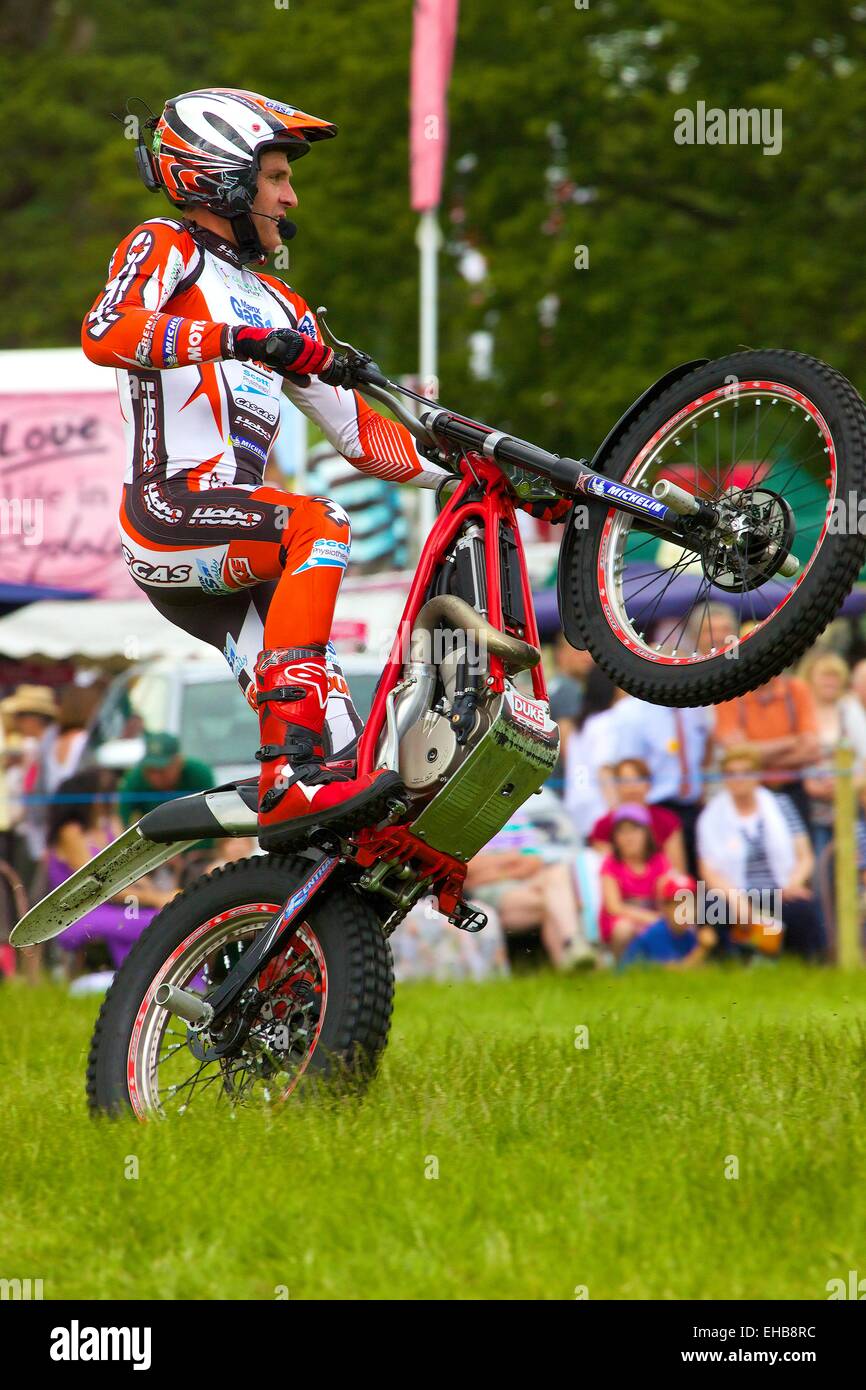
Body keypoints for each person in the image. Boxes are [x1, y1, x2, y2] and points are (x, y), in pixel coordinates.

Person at [79, 87, 460, 848]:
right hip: (169, 513)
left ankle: (307, 895)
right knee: (320, 523)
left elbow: (359, 434)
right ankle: (283, 769)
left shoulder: (284, 301)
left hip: (247, 549)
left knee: (348, 761)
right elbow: (104, 331)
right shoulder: (166, 245)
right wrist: (237, 340)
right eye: (277, 177)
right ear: (221, 175)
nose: (291, 197)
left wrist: (456, 479)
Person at [696, 747, 825, 960]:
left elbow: (804, 856)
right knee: (712, 907)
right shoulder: (711, 816)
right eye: (732, 774)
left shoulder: (780, 805)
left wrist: (793, 884)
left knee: (803, 908)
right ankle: (729, 962)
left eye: (745, 773)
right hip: (735, 893)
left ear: (757, 775)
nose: (739, 780)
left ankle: (806, 963)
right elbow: (708, 870)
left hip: (780, 889)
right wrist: (737, 900)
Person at [46, 768, 173, 972]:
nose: (113, 799)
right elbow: (100, 886)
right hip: (80, 914)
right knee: (155, 922)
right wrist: (156, 898)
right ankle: (145, 977)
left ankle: (149, 975)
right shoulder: (71, 832)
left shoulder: (109, 824)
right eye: (107, 793)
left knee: (167, 916)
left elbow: (131, 869)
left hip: (119, 907)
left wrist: (161, 895)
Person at [464, 795, 595, 970]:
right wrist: (512, 860)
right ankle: (573, 946)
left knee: (557, 873)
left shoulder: (512, 815)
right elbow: (468, 871)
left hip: (522, 885)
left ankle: (572, 952)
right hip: (489, 894)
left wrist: (494, 865)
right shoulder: (467, 822)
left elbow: (533, 861)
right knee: (557, 903)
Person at [713, 672, 820, 831]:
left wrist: (751, 752)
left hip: (794, 789)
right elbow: (734, 753)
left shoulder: (796, 689)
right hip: (751, 792)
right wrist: (790, 742)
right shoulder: (729, 692)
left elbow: (811, 751)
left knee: (799, 842)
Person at [800, 651, 866, 859]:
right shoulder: (804, 709)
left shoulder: (849, 709)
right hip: (810, 804)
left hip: (848, 802)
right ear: (811, 678)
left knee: (851, 860)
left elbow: (864, 755)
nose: (830, 682)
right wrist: (811, 783)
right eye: (825, 676)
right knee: (819, 863)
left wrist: (845, 785)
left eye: (835, 676)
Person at [598, 804, 672, 958]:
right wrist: (649, 918)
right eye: (622, 831)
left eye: (634, 830)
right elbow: (614, 907)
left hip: (653, 917)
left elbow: (665, 897)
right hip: (621, 921)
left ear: (647, 833)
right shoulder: (611, 864)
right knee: (624, 928)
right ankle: (620, 965)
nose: (628, 837)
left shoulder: (659, 862)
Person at [590, 757, 686, 870]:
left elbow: (678, 869)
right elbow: (605, 869)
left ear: (649, 784)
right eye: (626, 781)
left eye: (638, 780)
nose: (632, 788)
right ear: (616, 786)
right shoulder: (603, 826)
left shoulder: (667, 820)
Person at [118, 732, 215, 829]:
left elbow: (214, 815)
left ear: (178, 762)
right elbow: (120, 819)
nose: (156, 777)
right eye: (151, 770)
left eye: (161, 770)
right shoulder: (135, 778)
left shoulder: (200, 774)